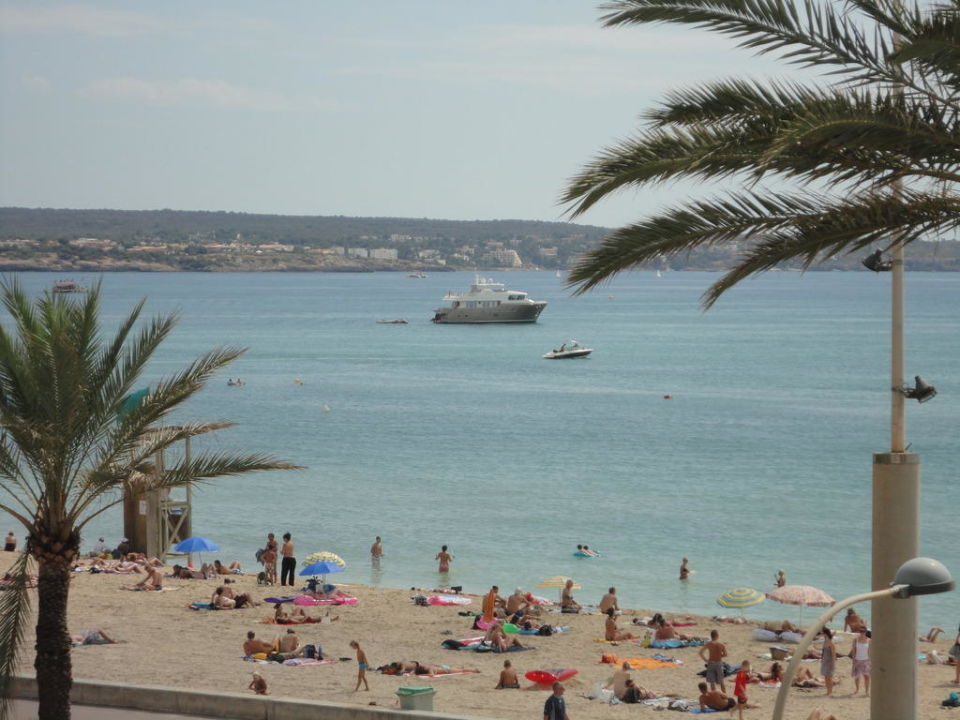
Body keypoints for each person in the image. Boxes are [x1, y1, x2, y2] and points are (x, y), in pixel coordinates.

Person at [849, 628, 871, 696]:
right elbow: (853, 651)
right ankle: (857, 689)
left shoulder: (869, 640)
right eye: (860, 631)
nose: (862, 633)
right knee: (857, 677)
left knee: (867, 676)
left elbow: (870, 651)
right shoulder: (855, 640)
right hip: (857, 660)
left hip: (866, 660)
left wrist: (870, 661)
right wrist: (853, 661)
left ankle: (866, 691)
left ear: (865, 632)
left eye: (863, 632)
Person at [820, 627, 836, 696]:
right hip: (824, 661)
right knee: (826, 677)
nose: (821, 634)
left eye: (822, 633)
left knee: (829, 677)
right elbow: (824, 652)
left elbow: (834, 654)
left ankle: (830, 692)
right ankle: (828, 692)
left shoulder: (831, 643)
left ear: (825, 634)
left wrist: (833, 664)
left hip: (829, 662)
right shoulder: (825, 641)